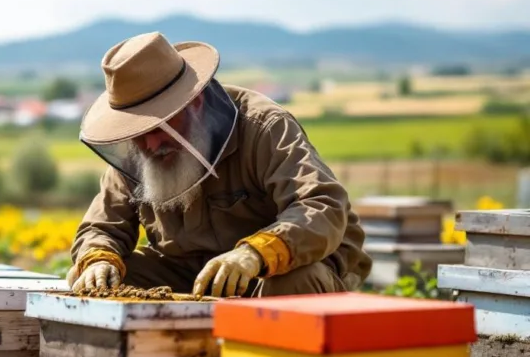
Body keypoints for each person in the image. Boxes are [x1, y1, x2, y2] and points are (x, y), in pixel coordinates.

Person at [66, 32, 371, 298]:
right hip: (188, 273)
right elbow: (101, 225)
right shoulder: (139, 147)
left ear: (193, 103)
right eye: (137, 135)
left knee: (293, 282)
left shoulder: (264, 127)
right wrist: (98, 260)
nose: (150, 145)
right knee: (100, 283)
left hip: (274, 271)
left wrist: (254, 254)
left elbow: (322, 205)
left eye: (158, 128)